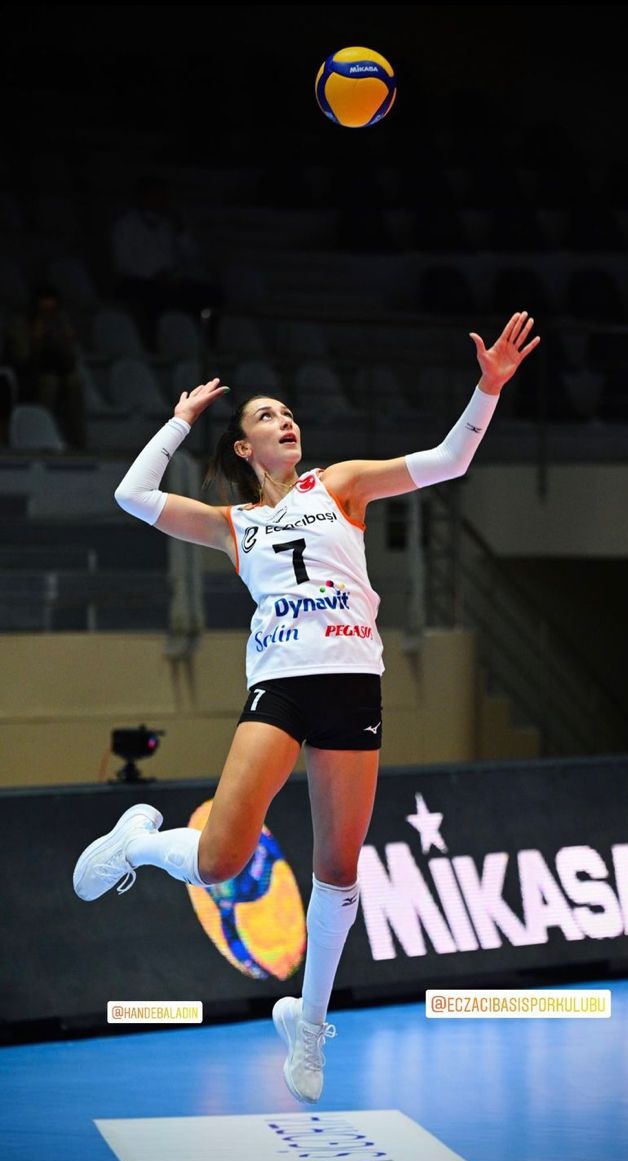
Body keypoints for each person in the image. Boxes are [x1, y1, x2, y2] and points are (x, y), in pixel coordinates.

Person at [72, 311, 540, 1103]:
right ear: (243, 449)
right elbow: (130, 493)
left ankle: (309, 1025)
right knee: (220, 860)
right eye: (265, 418)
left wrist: (485, 388)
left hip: (354, 681)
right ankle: (142, 843)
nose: (283, 422)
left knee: (338, 868)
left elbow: (449, 459)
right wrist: (180, 420)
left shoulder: (342, 485)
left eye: (288, 414)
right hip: (282, 686)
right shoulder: (232, 524)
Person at [110, 175, 224, 347]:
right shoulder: (125, 224)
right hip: (139, 281)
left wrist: (181, 231)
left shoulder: (169, 224)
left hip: (171, 281)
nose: (162, 199)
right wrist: (152, 276)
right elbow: (122, 263)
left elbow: (192, 256)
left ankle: (208, 344)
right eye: (157, 194)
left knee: (211, 294)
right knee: (153, 299)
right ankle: (153, 345)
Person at [5, 286, 86, 449]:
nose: (48, 315)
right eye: (44, 311)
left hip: (56, 372)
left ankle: (78, 441)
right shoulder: (19, 325)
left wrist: (67, 341)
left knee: (74, 382)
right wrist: (36, 338)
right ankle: (40, 432)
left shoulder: (59, 324)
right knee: (50, 383)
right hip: (24, 378)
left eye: (52, 311)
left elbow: (69, 360)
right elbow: (22, 359)